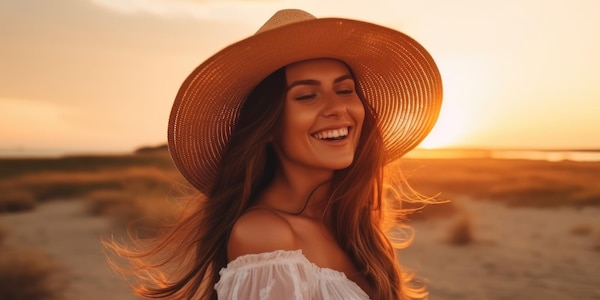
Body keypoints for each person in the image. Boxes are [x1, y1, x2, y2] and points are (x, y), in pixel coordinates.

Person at [107, 8, 442, 300]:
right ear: (267, 125)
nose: (337, 108)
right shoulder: (266, 236)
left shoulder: (351, 225)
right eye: (307, 96)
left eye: (344, 90)